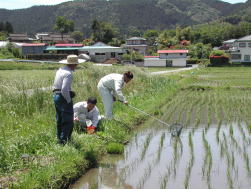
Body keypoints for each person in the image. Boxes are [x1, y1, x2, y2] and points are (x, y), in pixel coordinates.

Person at [53, 55, 86, 145]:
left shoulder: (60, 70)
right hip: (63, 97)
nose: (77, 66)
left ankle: (59, 139)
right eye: (76, 64)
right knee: (68, 120)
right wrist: (68, 100)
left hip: (56, 95)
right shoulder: (68, 73)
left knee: (59, 119)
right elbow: (64, 90)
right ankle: (65, 141)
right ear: (73, 64)